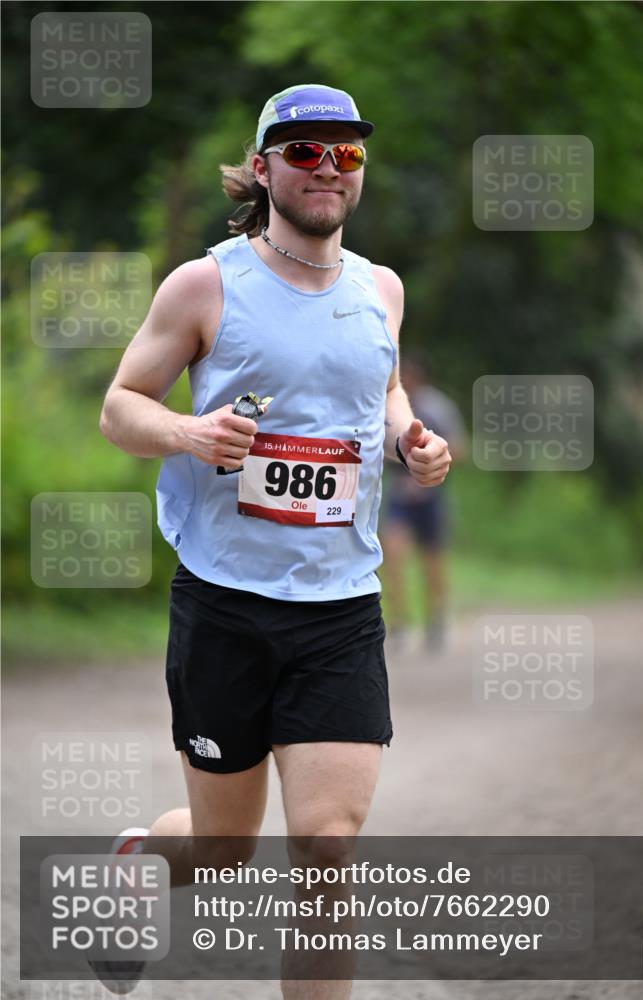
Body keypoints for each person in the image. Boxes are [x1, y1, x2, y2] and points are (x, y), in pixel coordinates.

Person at [96, 83, 451, 997]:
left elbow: (377, 389)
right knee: (220, 853)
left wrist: (411, 434)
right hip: (225, 600)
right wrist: (188, 433)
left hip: (338, 607)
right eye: (304, 151)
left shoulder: (381, 289)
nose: (328, 167)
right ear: (262, 169)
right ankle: (141, 859)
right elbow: (120, 407)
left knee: (327, 849)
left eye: (347, 154)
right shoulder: (206, 283)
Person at [381, 354, 466, 651]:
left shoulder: (438, 407)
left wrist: (432, 460)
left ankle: (436, 620)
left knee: (432, 562)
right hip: (400, 497)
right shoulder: (387, 406)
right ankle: (399, 623)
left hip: (431, 496)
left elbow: (459, 448)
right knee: (393, 556)